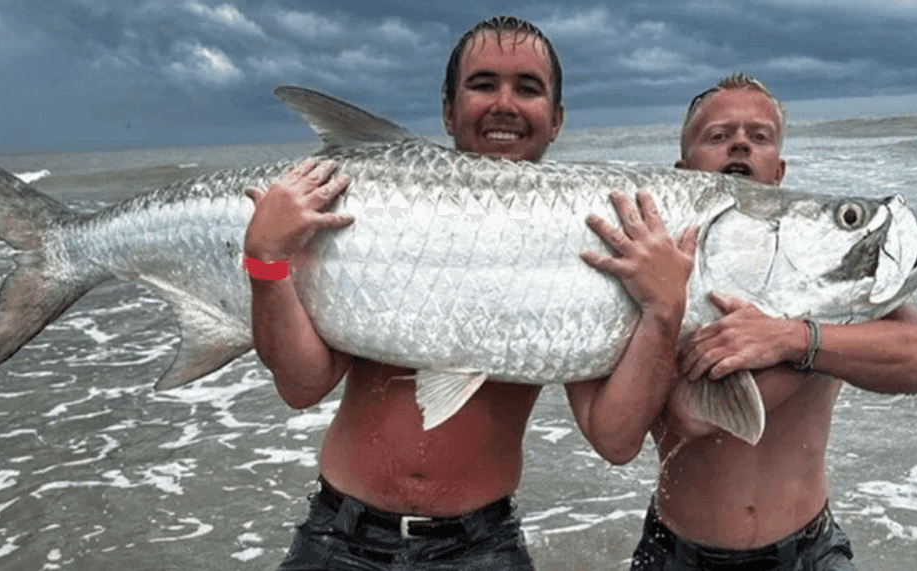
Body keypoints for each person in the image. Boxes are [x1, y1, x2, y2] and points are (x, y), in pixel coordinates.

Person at [243, 15, 696, 570]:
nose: (504, 103)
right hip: (338, 536)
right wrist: (264, 260)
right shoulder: (370, 212)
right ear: (447, 110)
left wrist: (664, 308)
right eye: (483, 84)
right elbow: (302, 383)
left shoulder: (595, 232)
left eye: (527, 88)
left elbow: (616, 437)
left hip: (483, 546)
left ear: (556, 119)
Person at [628, 72, 917, 571]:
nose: (740, 143)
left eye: (759, 137)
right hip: (677, 552)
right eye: (718, 136)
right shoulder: (651, 270)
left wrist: (793, 338)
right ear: (682, 168)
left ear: (778, 171)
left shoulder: (818, 273)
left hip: (810, 550)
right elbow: (688, 418)